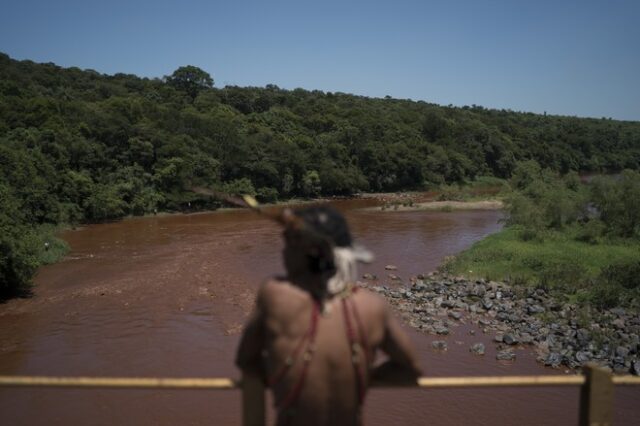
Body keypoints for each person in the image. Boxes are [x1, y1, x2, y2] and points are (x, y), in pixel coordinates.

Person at [236, 205, 422, 426]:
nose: (283, 252)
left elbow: (246, 359)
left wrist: (282, 376)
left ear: (311, 252)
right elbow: (410, 369)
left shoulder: (275, 295)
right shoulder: (373, 306)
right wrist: (361, 377)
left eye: (289, 245)